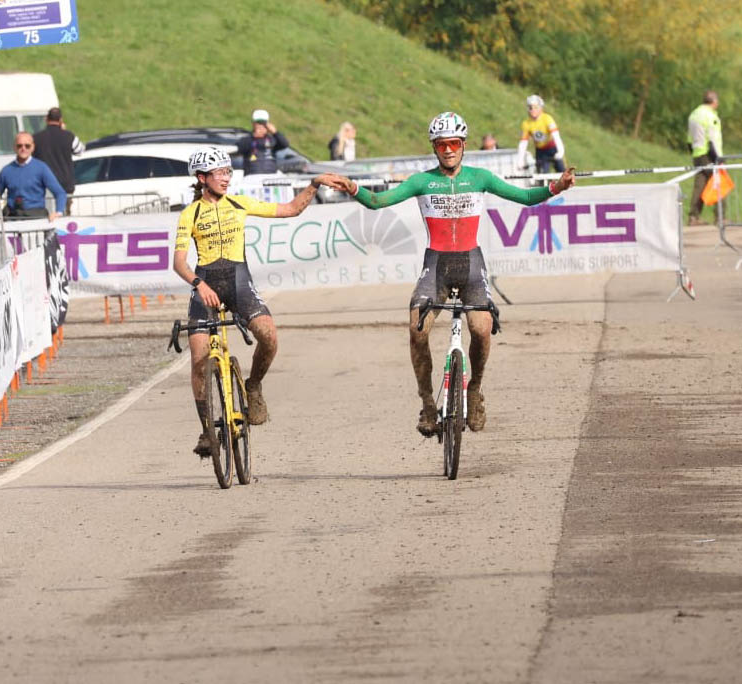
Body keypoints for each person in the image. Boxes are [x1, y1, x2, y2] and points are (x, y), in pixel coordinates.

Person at [328, 112, 576, 436]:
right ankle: (428, 403)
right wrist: (352, 187)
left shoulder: (480, 177)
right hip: (437, 265)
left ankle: (474, 390)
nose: (448, 150)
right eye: (441, 144)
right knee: (417, 330)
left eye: (453, 144)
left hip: (471, 262)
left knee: (482, 329)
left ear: (463, 145)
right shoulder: (422, 181)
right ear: (434, 148)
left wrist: (557, 186)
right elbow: (378, 201)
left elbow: (526, 197)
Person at [173, 146, 343, 456]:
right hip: (205, 287)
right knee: (198, 361)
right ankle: (206, 431)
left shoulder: (240, 203)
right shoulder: (190, 214)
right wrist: (198, 285)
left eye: (228, 172)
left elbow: (290, 209)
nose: (226, 178)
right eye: (219, 173)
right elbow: (180, 263)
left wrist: (314, 184)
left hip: (239, 282)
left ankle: (253, 385)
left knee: (269, 335)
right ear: (202, 178)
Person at [0, 132, 66, 221]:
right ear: (14, 147)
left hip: (36, 217)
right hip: (12, 218)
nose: (23, 149)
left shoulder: (42, 168)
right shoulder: (6, 170)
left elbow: (60, 193)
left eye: (27, 146)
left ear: (33, 147)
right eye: (19, 146)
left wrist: (58, 212)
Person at [32, 107, 85, 214]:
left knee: (45, 216)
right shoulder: (69, 136)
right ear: (61, 120)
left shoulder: (36, 138)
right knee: (64, 216)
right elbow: (80, 151)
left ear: (46, 119)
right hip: (65, 185)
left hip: (44, 185)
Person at [687, 90, 723, 225]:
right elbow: (713, 138)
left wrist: (694, 151)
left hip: (697, 154)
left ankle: (693, 216)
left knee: (699, 186)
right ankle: (720, 217)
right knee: (719, 183)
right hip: (709, 154)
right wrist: (719, 158)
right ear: (714, 102)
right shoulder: (711, 116)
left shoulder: (694, 114)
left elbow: (689, 138)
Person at [516, 94, 565, 174]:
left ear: (541, 108)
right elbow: (523, 143)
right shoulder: (526, 123)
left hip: (553, 148)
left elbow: (556, 136)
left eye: (535, 107)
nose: (532, 110)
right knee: (542, 175)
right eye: (530, 108)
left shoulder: (547, 118)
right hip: (541, 151)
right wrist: (520, 160)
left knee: (562, 172)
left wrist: (560, 151)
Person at [236, 109, 290, 175]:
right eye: (258, 123)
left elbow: (285, 144)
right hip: (252, 176)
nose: (260, 126)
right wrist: (253, 137)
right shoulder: (247, 139)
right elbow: (240, 148)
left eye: (263, 123)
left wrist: (275, 132)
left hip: (270, 176)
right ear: (253, 124)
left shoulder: (272, 139)